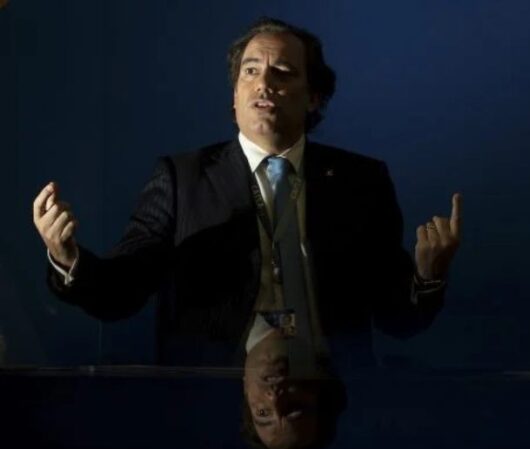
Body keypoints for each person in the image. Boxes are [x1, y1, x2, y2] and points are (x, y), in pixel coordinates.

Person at [32, 17, 461, 367]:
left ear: (314, 97)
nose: (263, 84)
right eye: (250, 71)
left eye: (283, 73)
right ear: (235, 95)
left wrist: (428, 276)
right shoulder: (182, 178)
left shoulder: (361, 181)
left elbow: (399, 321)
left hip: (329, 397)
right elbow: (121, 292)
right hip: (210, 391)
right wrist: (67, 258)